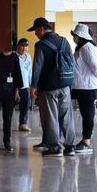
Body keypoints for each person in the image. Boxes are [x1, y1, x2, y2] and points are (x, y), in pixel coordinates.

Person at [29, 17, 77, 157]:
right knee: (66, 116)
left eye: (36, 31)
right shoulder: (64, 41)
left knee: (50, 118)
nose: (36, 34)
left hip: (48, 87)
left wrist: (33, 86)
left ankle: (55, 149)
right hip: (65, 86)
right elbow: (72, 62)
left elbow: (37, 67)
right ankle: (70, 147)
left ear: (41, 29)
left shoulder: (41, 45)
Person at [71, 23, 97, 154]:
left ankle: (86, 142)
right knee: (85, 114)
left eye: (75, 35)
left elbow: (94, 66)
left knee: (88, 114)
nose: (74, 37)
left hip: (88, 86)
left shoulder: (87, 48)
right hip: (83, 86)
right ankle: (85, 141)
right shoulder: (83, 47)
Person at [16, 37, 32, 132]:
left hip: (25, 86)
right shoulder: (14, 56)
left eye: (26, 46)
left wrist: (31, 84)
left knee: (25, 106)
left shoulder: (28, 56)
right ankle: (7, 122)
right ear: (18, 46)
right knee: (10, 105)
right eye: (22, 46)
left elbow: (30, 71)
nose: (24, 48)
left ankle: (23, 124)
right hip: (16, 86)